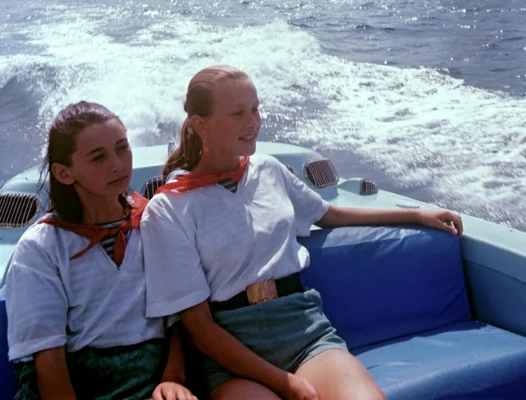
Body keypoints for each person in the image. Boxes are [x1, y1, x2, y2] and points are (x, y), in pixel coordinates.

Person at [141, 66, 463, 400]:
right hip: (230, 349)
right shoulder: (168, 210)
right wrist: (286, 384)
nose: (253, 123)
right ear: (199, 125)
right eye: (237, 114)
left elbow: (330, 214)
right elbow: (201, 329)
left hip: (304, 329)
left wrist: (418, 216)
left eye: (255, 109)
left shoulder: (269, 170)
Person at [4, 102, 196, 400]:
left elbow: (178, 317)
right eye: (98, 157)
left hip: (152, 380)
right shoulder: (41, 247)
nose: (118, 164)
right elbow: (49, 361)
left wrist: (174, 380)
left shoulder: (155, 222)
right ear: (64, 173)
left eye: (122, 148)